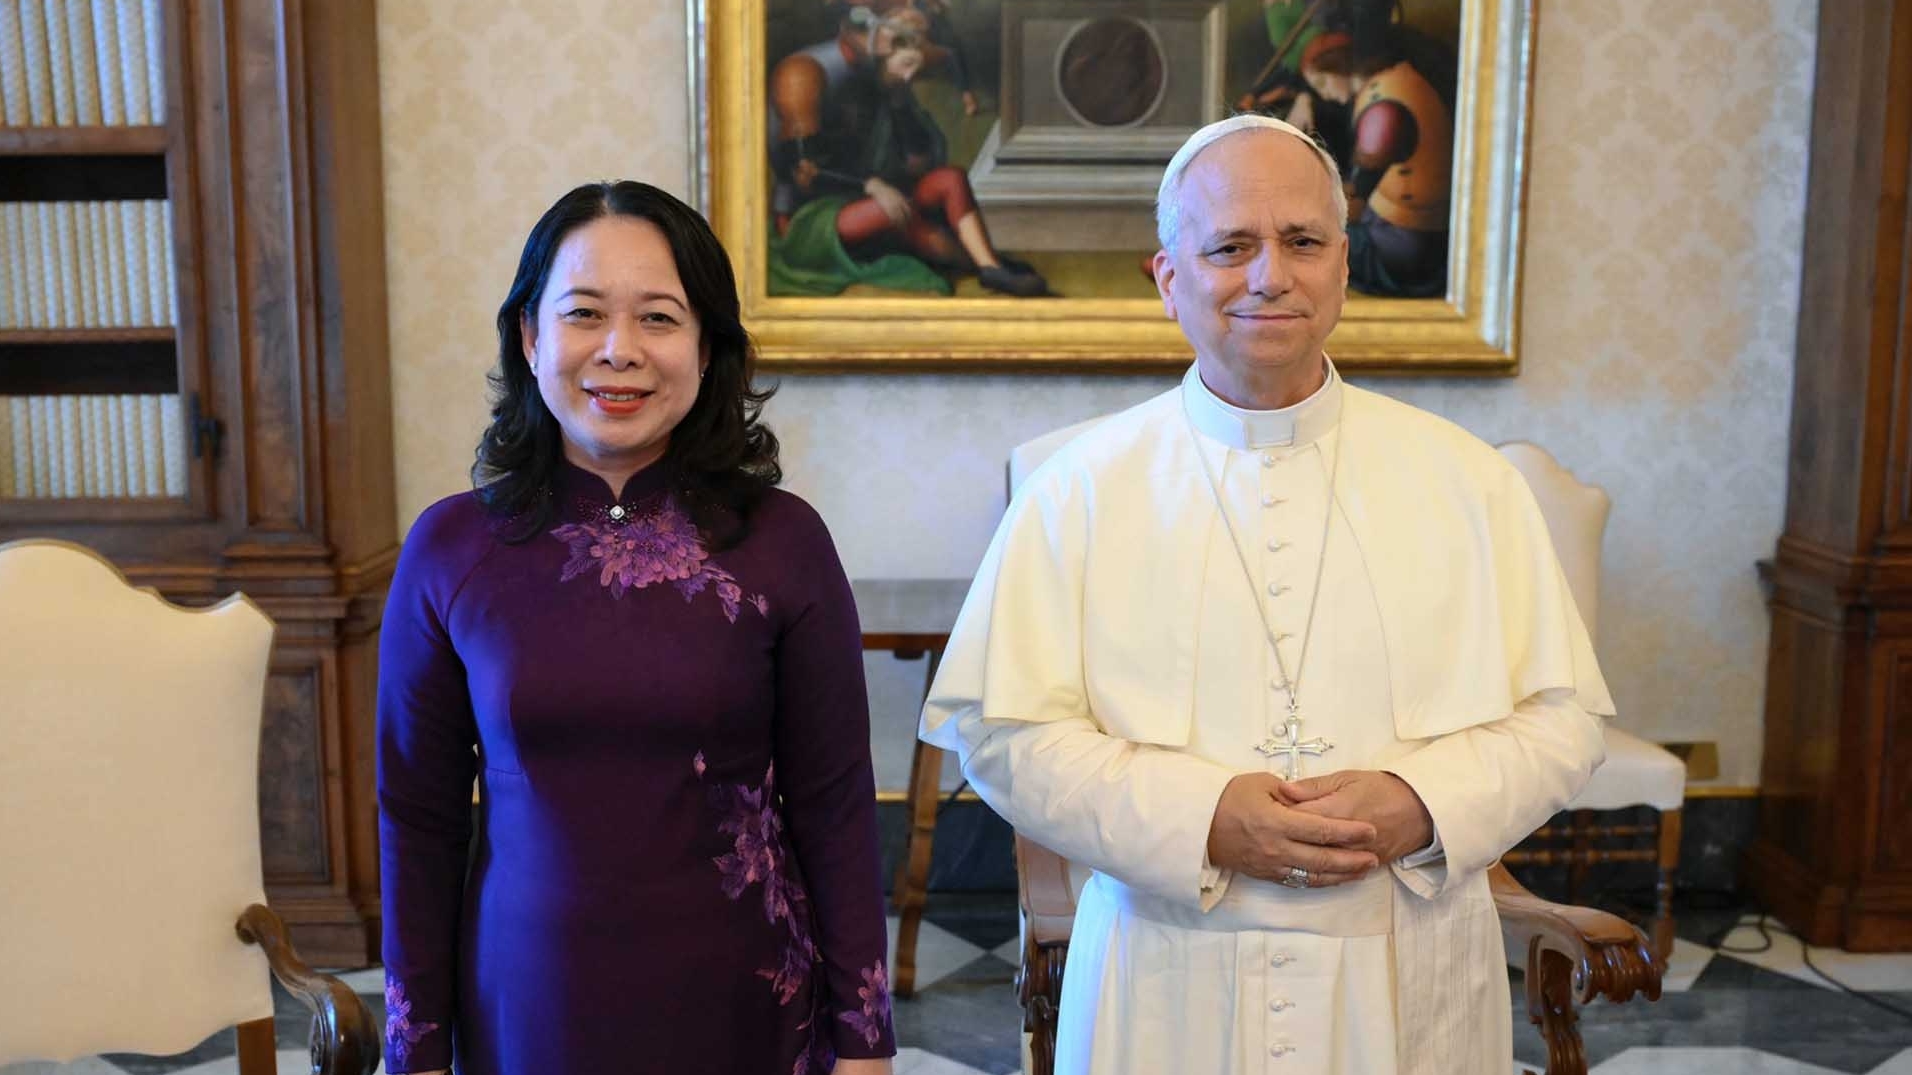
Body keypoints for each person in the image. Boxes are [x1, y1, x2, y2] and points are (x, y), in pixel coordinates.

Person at [920, 114, 1610, 1075]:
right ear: (1170, 278)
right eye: (1230, 246)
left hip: (1411, 976)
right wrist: (1199, 815)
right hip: (1165, 983)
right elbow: (1004, 735)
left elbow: (1563, 719)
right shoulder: (1078, 488)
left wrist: (1424, 801)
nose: (1269, 275)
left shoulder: (1468, 481)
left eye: (1302, 243)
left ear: (1342, 267)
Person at [377, 181, 897, 1075]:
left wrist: (866, 1040)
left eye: (659, 318)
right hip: (526, 1000)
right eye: (583, 314)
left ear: (706, 349)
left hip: (746, 1002)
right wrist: (415, 1047)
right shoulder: (450, 547)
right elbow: (418, 819)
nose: (620, 351)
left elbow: (836, 806)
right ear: (532, 338)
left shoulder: (784, 541)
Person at [767, 2, 1048, 297]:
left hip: (870, 197)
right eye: (900, 37)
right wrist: (871, 185)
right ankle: (979, 264)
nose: (911, 47)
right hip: (810, 218)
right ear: (863, 30)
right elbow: (804, 173)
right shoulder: (804, 73)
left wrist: (897, 97)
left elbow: (919, 164)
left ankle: (989, 267)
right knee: (897, 212)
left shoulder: (878, 74)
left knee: (949, 178)